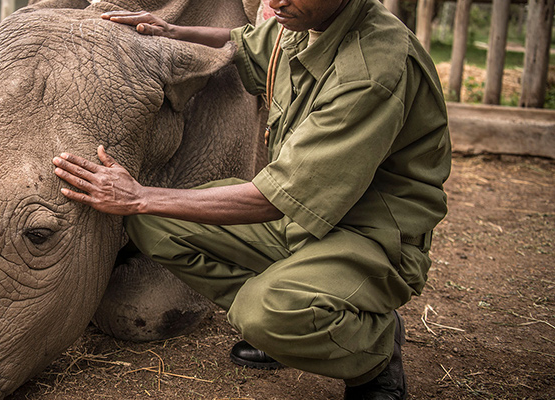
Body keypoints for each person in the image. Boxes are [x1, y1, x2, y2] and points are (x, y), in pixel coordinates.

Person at [51, 0, 452, 398]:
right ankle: (301, 321)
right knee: (153, 223)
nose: (275, 1)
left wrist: (138, 196)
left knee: (260, 313)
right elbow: (246, 43)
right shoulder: (306, 22)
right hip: (301, 217)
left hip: (368, 234)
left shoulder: (372, 70)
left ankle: (373, 351)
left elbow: (276, 199)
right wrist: (171, 30)